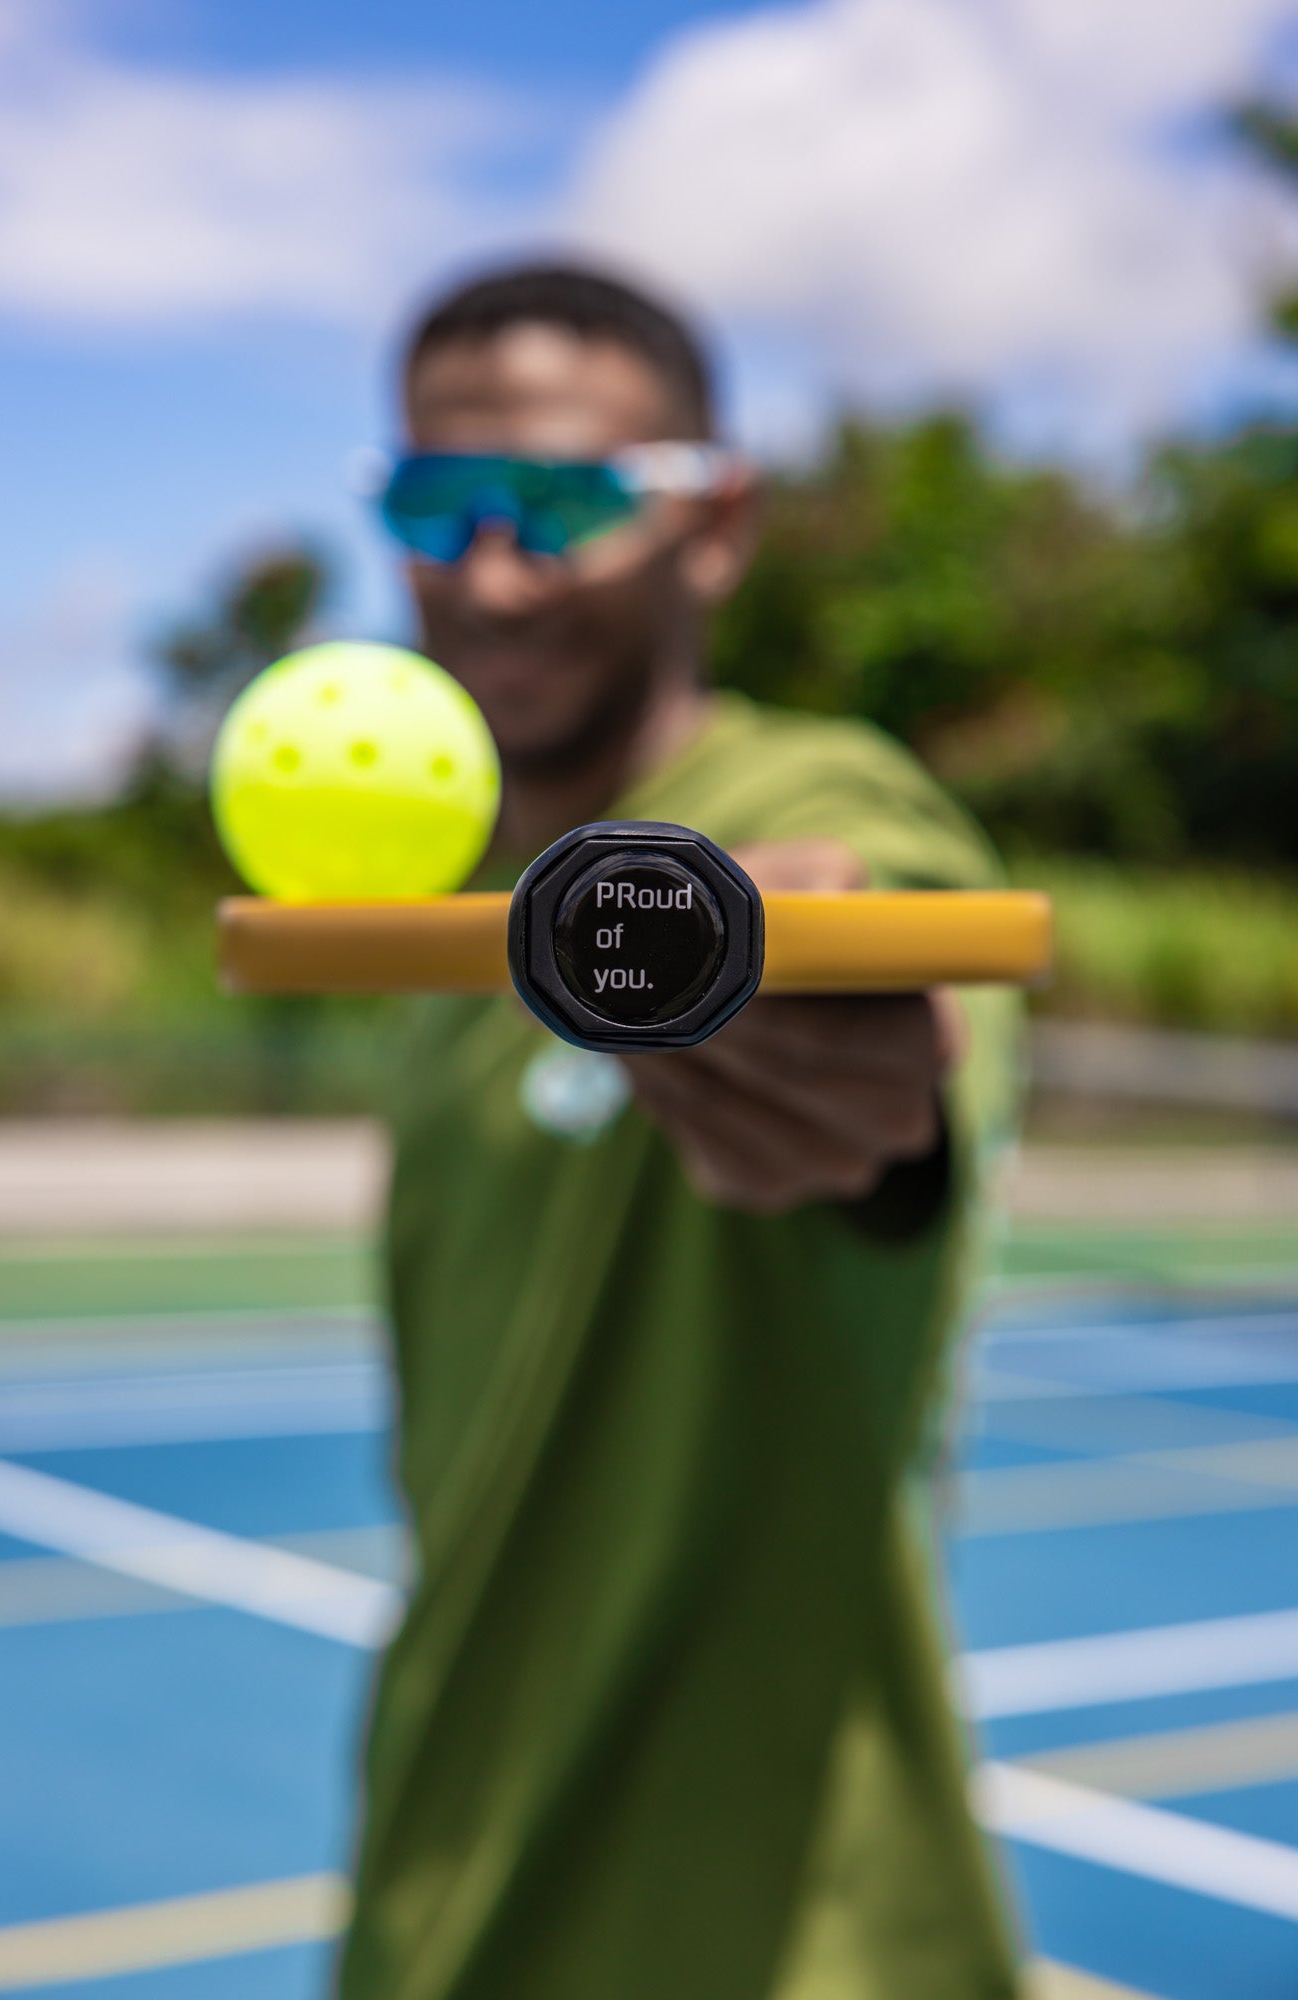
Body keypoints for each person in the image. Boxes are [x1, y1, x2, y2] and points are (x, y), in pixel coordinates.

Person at [340, 262, 1022, 2000]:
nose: (491, 565)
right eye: (438, 497)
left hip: (793, 1948)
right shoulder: (450, 932)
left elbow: (878, 982)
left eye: (564, 498)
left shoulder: (804, 798)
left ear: (713, 525)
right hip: (440, 1906)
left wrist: (796, 994)